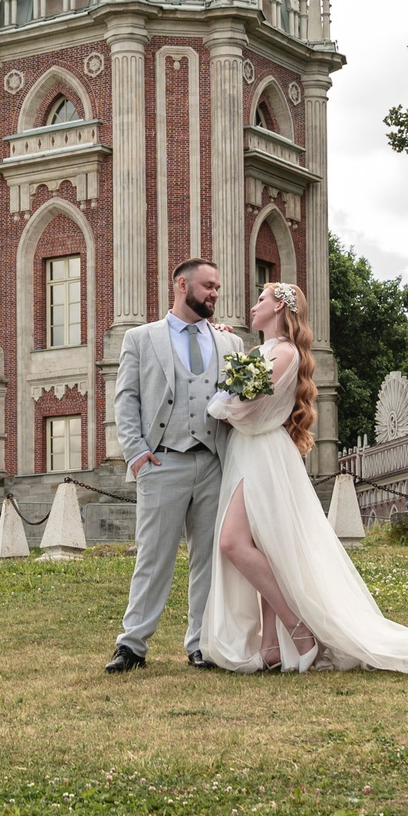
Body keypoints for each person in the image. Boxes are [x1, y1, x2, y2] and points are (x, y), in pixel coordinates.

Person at [201, 281, 408, 674]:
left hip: (263, 453)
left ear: (280, 308)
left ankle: (298, 628)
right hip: (251, 451)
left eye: (261, 300)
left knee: (233, 542)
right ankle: (271, 646)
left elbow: (248, 412)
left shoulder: (283, 354)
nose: (253, 306)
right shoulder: (264, 352)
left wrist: (221, 405)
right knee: (265, 546)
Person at [106, 258, 235, 672]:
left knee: (208, 559)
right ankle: (132, 646)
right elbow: (126, 398)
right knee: (153, 557)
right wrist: (136, 453)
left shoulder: (230, 343)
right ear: (182, 285)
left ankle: (201, 644)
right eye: (208, 286)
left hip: (214, 462)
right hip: (162, 461)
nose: (215, 293)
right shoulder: (141, 338)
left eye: (217, 287)